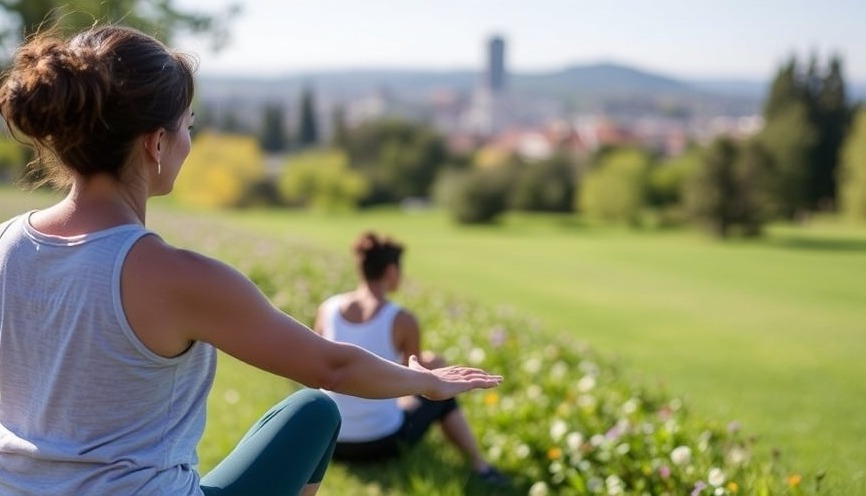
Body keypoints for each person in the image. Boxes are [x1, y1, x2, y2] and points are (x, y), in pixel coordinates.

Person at [0, 25, 502, 496]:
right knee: (315, 413)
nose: (188, 142)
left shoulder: (6, 244)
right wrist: (427, 382)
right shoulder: (178, 276)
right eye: (186, 127)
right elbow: (334, 368)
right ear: (156, 142)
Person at [313, 232, 510, 485]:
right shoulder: (402, 319)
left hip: (331, 443)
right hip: (381, 443)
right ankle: (481, 467)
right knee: (443, 399)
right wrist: (434, 366)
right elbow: (409, 380)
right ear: (392, 271)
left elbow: (325, 364)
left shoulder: (327, 309)